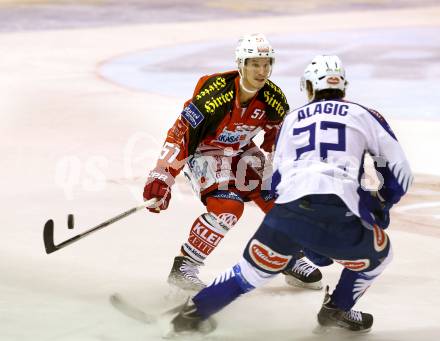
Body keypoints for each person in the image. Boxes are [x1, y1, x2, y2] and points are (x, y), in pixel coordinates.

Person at [168, 55, 413, 334]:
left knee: (247, 275)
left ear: (308, 87)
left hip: (285, 217)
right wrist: (380, 204)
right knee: (381, 255)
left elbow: (277, 181)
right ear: (343, 85)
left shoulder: (292, 118)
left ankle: (190, 315)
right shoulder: (365, 114)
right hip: (338, 214)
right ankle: (337, 309)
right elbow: (400, 174)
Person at [143, 34, 322, 292]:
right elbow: (181, 134)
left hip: (241, 149)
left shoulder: (273, 99)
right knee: (227, 206)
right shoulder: (213, 97)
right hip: (205, 151)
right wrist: (162, 175)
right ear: (241, 64)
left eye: (266, 64)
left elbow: (278, 142)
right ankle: (185, 267)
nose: (262, 71)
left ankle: (287, 254)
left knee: (282, 199)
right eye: (254, 64)